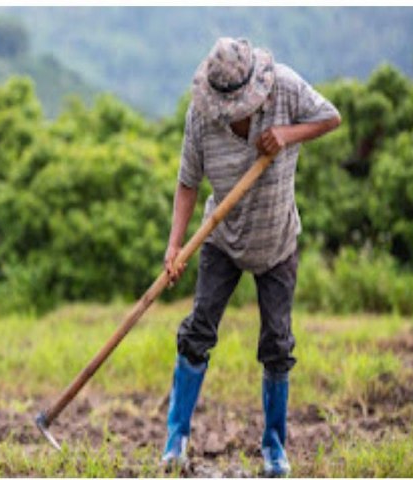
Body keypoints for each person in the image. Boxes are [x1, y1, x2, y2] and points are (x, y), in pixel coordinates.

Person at [161, 37, 341, 476]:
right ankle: (175, 441)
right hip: (222, 240)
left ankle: (274, 448)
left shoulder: (285, 87)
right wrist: (175, 245)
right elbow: (187, 182)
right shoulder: (201, 116)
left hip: (277, 241)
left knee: (277, 345)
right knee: (197, 331)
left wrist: (287, 134)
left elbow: (330, 117)